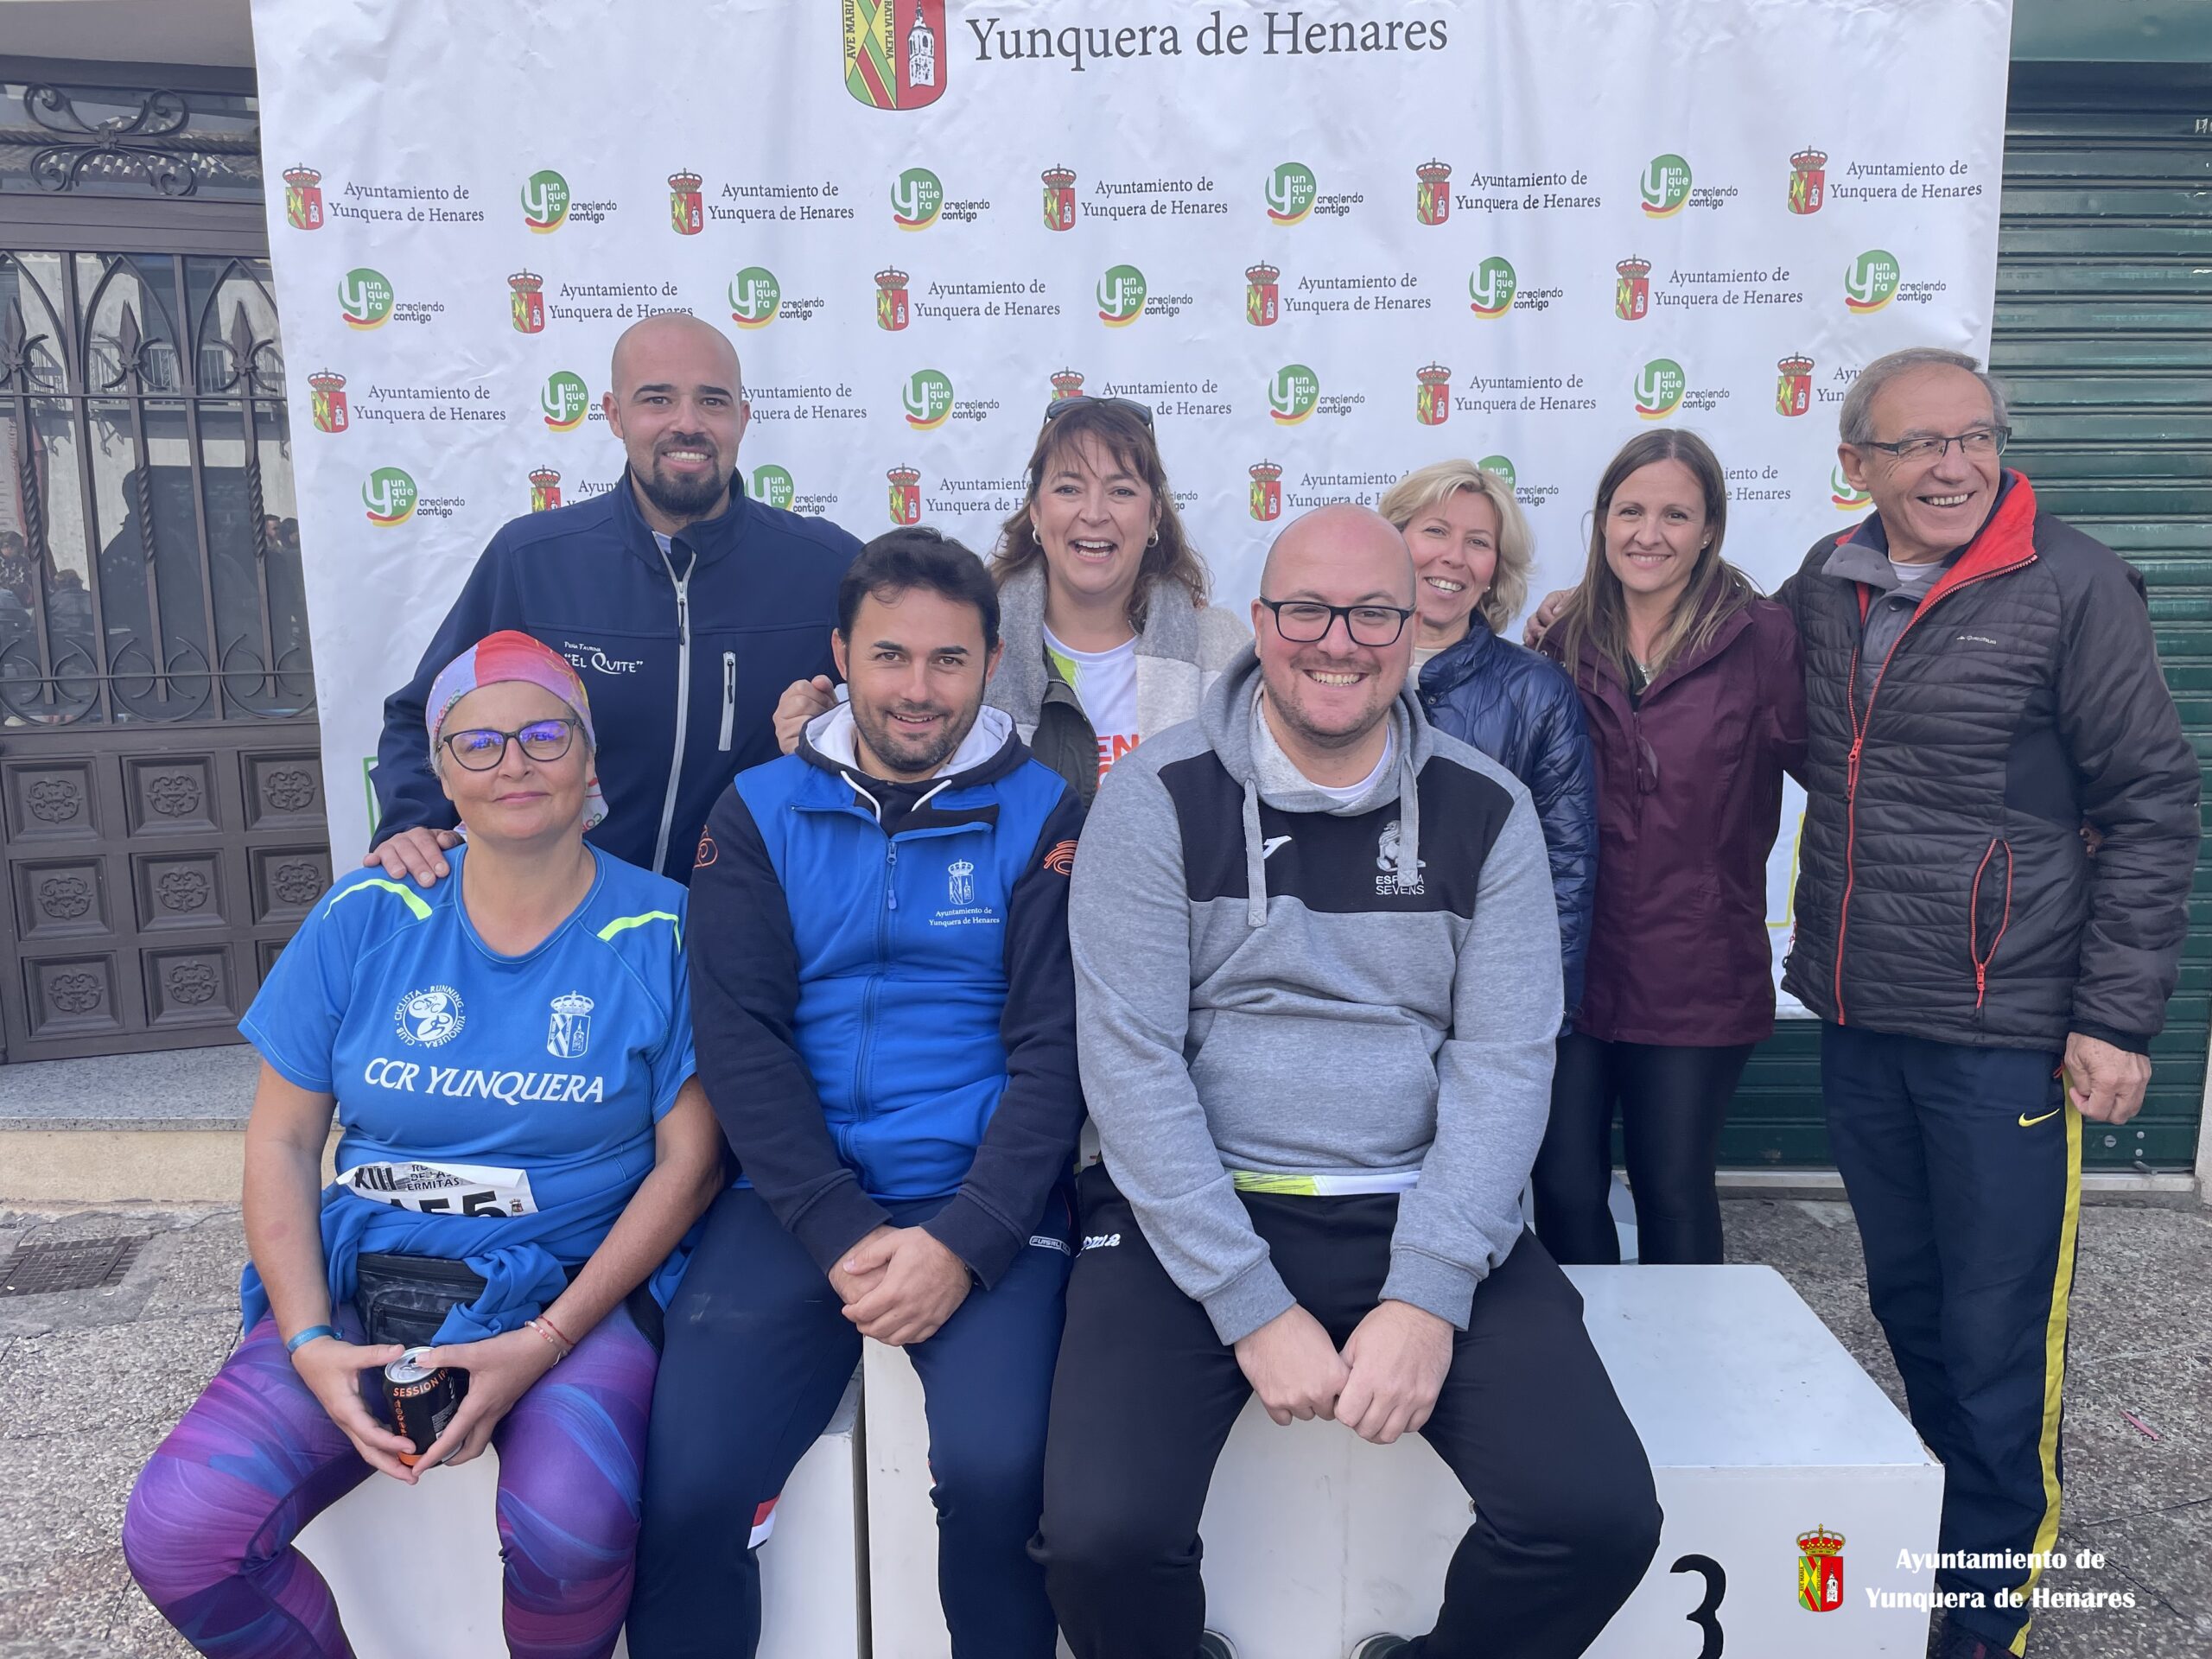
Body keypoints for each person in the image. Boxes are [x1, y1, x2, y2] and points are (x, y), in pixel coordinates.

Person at [1033, 505, 1660, 1659]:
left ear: (1413, 626)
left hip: (1420, 1201)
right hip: (1194, 1212)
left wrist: (1427, 1295)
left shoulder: (1486, 809)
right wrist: (1250, 1304)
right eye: (1307, 611)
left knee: (1594, 1520)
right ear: (1259, 623)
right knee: (1098, 1541)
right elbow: (1130, 1064)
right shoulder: (1156, 798)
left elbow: (1505, 1062)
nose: (1338, 641)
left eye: (1372, 614)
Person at [121, 632, 723, 1659]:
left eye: (544, 735)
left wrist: (546, 1341)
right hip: (370, 1278)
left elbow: (691, 1165)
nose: (513, 764)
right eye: (476, 744)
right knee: (183, 1538)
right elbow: (282, 1142)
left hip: (571, 1287)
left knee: (571, 1535)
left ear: (589, 757)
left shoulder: (665, 931)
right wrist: (309, 1342)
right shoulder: (367, 913)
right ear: (440, 773)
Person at [1777, 347, 2196, 1659]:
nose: (1954, 465)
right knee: (1908, 1306)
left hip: (2002, 1032)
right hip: (1864, 1018)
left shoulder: (2071, 583)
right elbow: (1745, 700)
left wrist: (2115, 1020)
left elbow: (2149, 804)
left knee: (1999, 1334)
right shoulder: (1827, 581)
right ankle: (1939, 1542)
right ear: (1857, 463)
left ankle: (1987, 1620)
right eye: (1919, 444)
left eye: (1975, 437)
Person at [629, 529, 1086, 1658]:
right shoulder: (756, 810)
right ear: (842, 655)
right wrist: (837, 1228)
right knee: (688, 1489)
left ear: (990, 666)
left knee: (1000, 1480)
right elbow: (740, 1039)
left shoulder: (1048, 812)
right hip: (791, 1200)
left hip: (985, 1201)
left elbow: (1058, 1048)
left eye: (948, 660)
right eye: (889, 656)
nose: (917, 688)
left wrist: (963, 1241)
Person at [370, 313, 859, 887]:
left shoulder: (825, 564)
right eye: (657, 399)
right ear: (614, 414)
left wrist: (836, 730)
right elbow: (424, 713)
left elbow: (908, 707)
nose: (687, 423)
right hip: (573, 918)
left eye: (712, 401)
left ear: (743, 418)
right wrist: (413, 822)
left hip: (750, 916)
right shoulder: (533, 559)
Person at [1530, 430, 1804, 1268]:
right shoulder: (1561, 636)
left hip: (1697, 970)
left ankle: (1686, 1349)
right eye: (1631, 512)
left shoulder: (1763, 639)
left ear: (1710, 528)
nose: (1648, 534)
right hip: (1570, 967)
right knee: (1563, 1186)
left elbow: (1838, 772)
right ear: (1601, 520)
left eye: (1675, 515)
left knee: (1672, 1186)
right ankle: (1586, 1347)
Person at [772, 394, 1248, 803]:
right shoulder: (967, 637)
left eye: (1121, 491)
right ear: (1036, 510)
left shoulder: (1219, 647)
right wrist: (828, 733)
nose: (1094, 513)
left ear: (1154, 515)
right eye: (1069, 488)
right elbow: (900, 753)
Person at [1380, 459, 1595, 1022]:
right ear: (1391, 542)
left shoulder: (1537, 692)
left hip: (1482, 1001)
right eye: (1435, 531)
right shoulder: (1332, 668)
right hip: (1355, 1000)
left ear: (1495, 569)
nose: (1454, 557)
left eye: (1477, 542)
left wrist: (1540, 1023)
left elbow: (1565, 870)